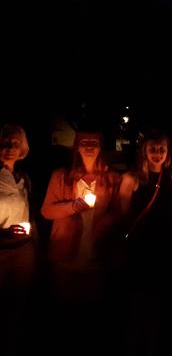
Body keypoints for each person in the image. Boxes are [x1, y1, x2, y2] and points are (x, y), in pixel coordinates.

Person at [118, 130, 172, 356]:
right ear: (144, 151)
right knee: (137, 304)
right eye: (153, 149)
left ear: (167, 154)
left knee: (159, 304)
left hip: (166, 247)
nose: (157, 153)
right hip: (141, 248)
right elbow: (123, 214)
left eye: (161, 149)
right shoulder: (132, 178)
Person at [41, 129, 121, 305]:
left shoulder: (111, 179)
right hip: (64, 256)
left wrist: (107, 220)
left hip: (96, 255)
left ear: (101, 147)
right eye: (84, 142)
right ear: (77, 147)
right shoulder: (61, 176)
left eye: (94, 142)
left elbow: (118, 214)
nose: (89, 146)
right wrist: (75, 206)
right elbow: (47, 211)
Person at [0, 124, 36, 356]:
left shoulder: (24, 178)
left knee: (16, 311)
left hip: (22, 253)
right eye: (5, 142)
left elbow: (29, 214)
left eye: (15, 143)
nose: (10, 147)